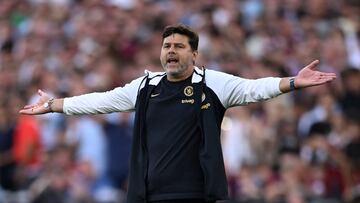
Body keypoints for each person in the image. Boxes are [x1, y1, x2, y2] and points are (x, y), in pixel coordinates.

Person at [20, 24, 336, 203]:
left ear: (194, 54)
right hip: (150, 194)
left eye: (179, 46)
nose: (171, 50)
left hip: (196, 194)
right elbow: (102, 100)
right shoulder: (145, 85)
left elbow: (256, 88)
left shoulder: (212, 83)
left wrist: (293, 81)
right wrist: (54, 105)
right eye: (167, 45)